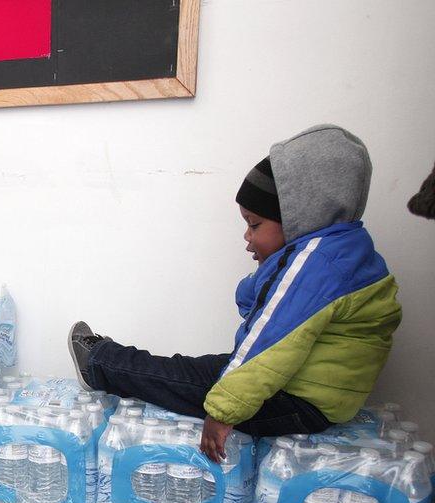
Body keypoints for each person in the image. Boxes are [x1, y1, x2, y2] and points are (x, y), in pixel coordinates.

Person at [69, 124, 402, 463]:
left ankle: (100, 362)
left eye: (254, 225)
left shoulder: (316, 262)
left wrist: (222, 412)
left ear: (299, 216)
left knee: (180, 381)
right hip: (310, 392)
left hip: (297, 401)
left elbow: (270, 340)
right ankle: (108, 361)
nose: (247, 236)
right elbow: (260, 309)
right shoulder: (345, 251)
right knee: (190, 370)